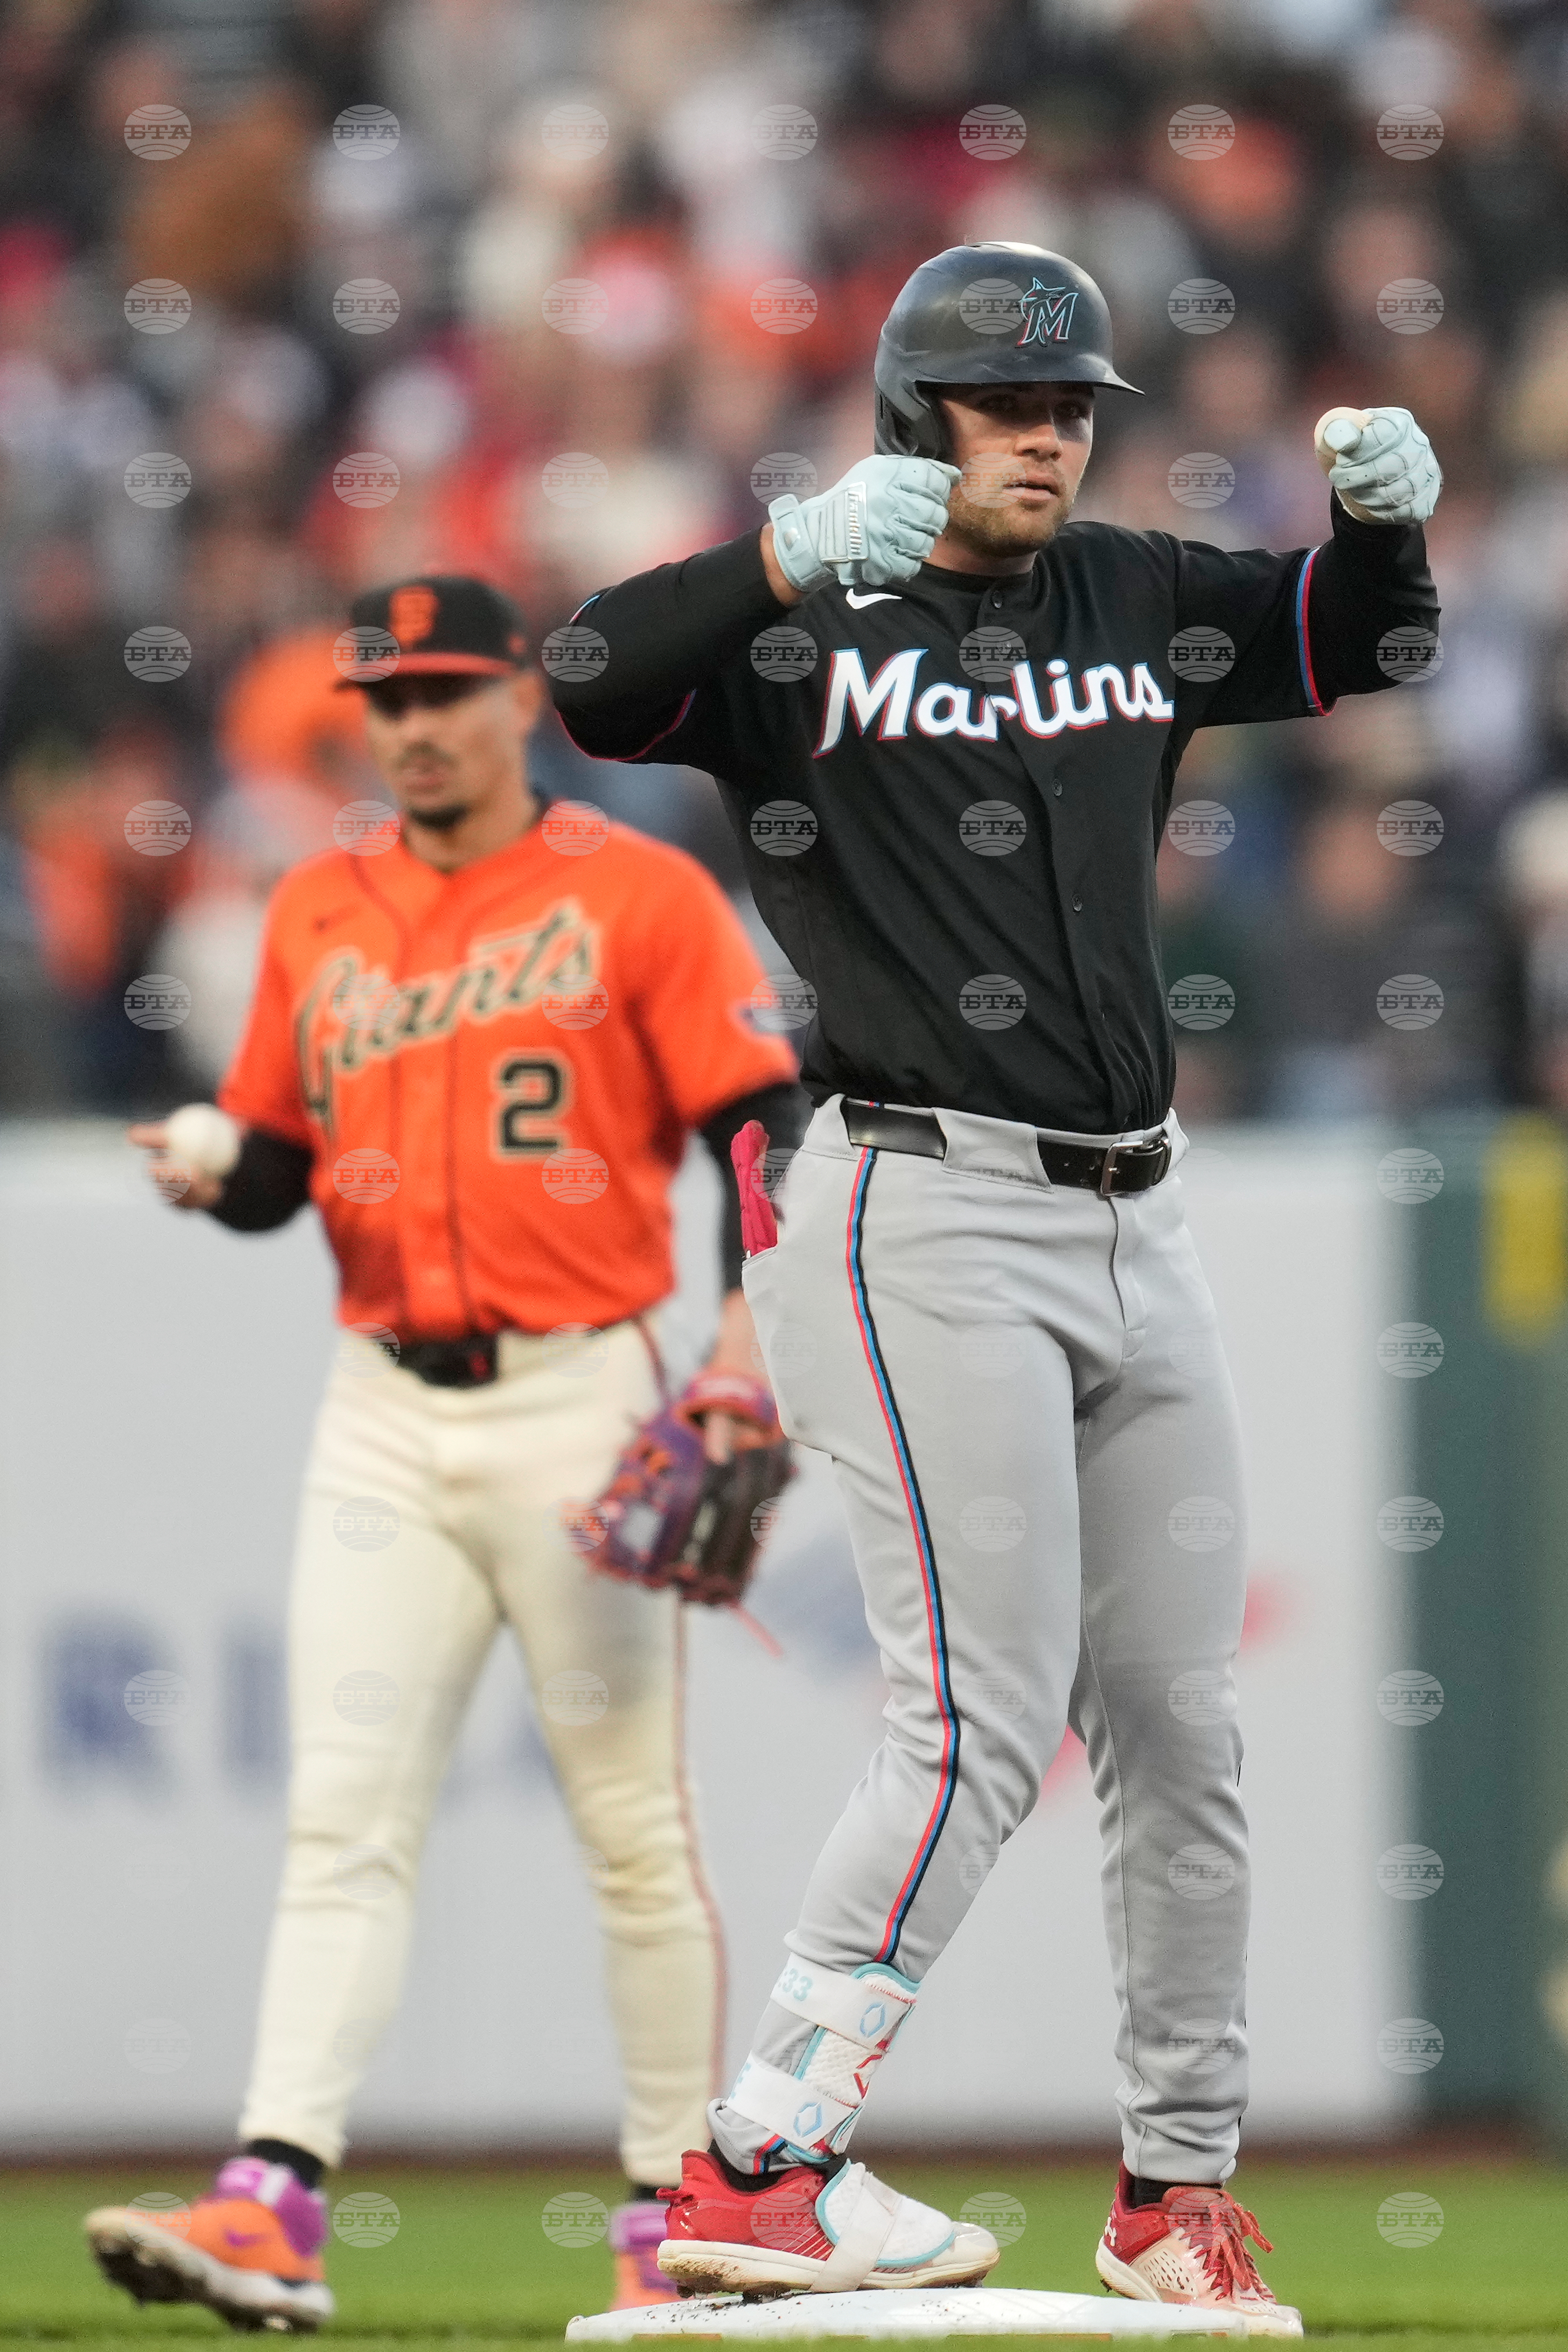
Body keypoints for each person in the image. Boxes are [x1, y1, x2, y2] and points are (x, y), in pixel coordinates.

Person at [549, 245, 1441, 2326]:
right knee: (976, 1716)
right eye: (1000, 402)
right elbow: (582, 673)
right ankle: (762, 2162)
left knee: (1182, 1727)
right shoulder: (803, 618)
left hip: (1142, 1213)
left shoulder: (1128, 592)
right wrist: (775, 559)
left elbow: (1349, 640)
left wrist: (1388, 529)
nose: (1046, 432)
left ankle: (1174, 2197)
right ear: (908, 415)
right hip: (917, 1201)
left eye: (1069, 405)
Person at [84, 575, 805, 2330]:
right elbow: (275, 1171)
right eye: (387, 697)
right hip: (383, 1412)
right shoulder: (317, 908)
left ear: (515, 702)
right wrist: (218, 1168)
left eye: (443, 692)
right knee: (342, 1820)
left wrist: (743, 1337)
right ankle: (272, 2200)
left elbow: (758, 1123)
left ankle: (669, 2223)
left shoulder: (639, 893)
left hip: (584, 1390)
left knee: (633, 1833)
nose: (411, 725)